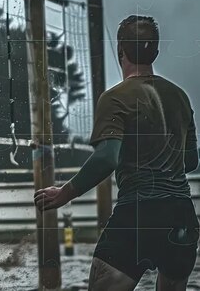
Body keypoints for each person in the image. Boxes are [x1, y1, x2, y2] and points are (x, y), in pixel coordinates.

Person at [35, 15, 200, 291]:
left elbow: (106, 158)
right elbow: (191, 161)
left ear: (120, 50)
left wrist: (64, 194)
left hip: (139, 213)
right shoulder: (181, 97)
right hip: (182, 216)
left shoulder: (115, 98)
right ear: (155, 52)